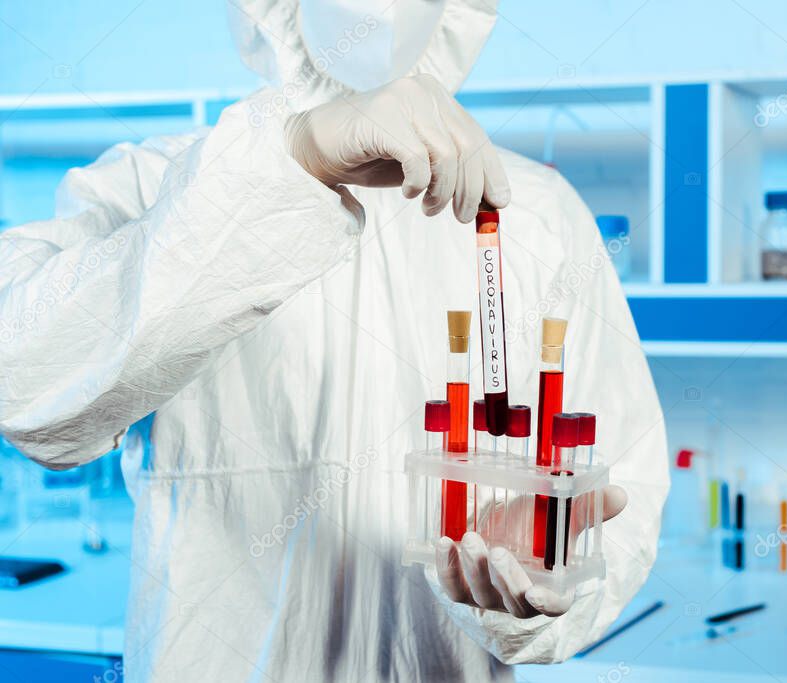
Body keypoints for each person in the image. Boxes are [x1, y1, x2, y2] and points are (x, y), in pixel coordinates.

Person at [0, 0, 668, 679]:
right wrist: (295, 159)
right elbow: (22, 382)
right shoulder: (165, 185)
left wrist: (537, 580)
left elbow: (622, 502)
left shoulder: (537, 214)